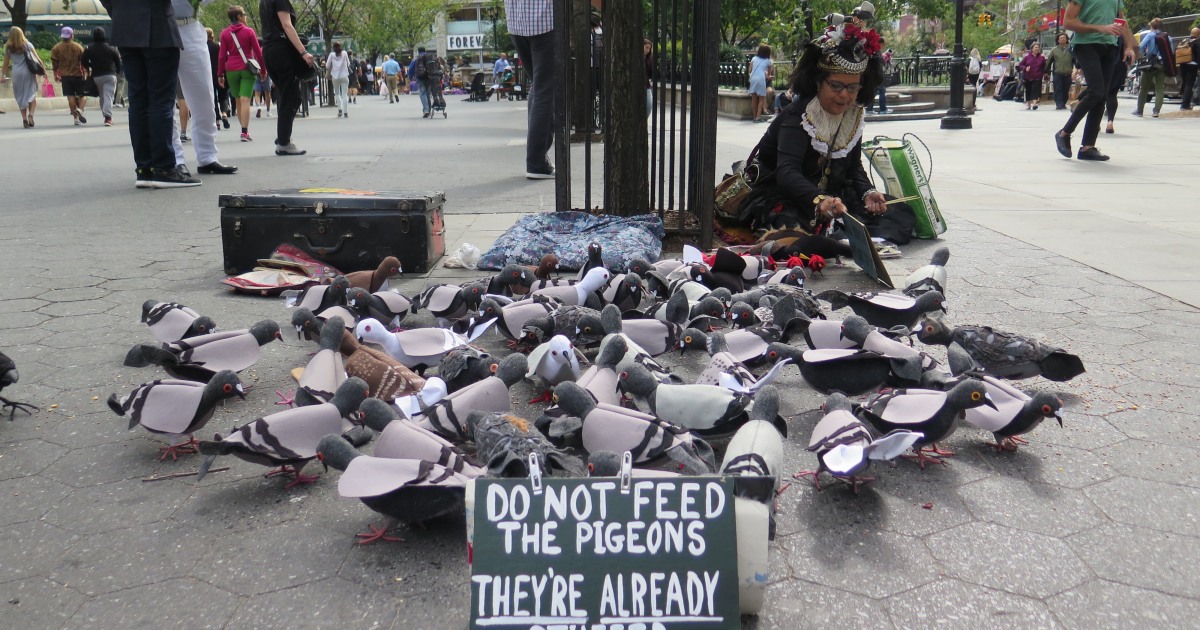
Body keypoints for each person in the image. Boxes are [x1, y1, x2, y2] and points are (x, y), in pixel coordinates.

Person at [740, 21, 912, 245]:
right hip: (787, 193)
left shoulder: (853, 115)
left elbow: (853, 166)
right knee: (793, 231)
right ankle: (842, 241)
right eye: (837, 86)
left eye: (852, 88)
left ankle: (844, 240)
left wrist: (867, 192)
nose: (844, 96)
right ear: (819, 82)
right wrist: (819, 200)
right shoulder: (798, 116)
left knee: (900, 213)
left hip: (833, 193)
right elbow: (787, 172)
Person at [100, 0, 200, 188]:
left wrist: (121, 11)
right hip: (158, 25)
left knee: (138, 101)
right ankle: (164, 168)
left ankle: (144, 168)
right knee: (161, 100)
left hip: (125, 27)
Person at [1054, 0, 1136, 162]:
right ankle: (1064, 133)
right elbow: (1068, 22)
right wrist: (1100, 28)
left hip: (1110, 46)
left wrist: (1128, 46)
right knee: (1096, 91)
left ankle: (1087, 147)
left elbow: (1121, 21)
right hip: (1086, 45)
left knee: (1102, 95)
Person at [170, 0, 237, 177]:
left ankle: (207, 157)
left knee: (205, 97)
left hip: (191, 27)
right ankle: (174, 160)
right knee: (165, 101)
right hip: (163, 27)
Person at [505, 0, 556, 179]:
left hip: (517, 24)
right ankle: (536, 162)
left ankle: (538, 160)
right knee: (544, 89)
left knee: (539, 85)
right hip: (544, 22)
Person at [259, 0, 314, 156]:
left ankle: (283, 135)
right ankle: (283, 142)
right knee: (289, 96)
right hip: (281, 50)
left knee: (291, 96)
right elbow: (287, 25)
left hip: (269, 50)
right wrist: (303, 52)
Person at [219, 5, 265, 142]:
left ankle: (243, 130)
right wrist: (263, 70)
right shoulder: (249, 32)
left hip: (231, 70)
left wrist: (220, 74)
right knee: (246, 99)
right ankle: (244, 132)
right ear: (239, 16)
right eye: (244, 14)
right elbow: (258, 53)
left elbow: (221, 57)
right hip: (246, 69)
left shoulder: (224, 33)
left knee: (238, 99)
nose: (245, 16)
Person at [1134, 18, 1175, 118]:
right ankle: (1156, 111)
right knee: (1159, 88)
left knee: (1144, 87)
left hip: (1150, 65)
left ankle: (1139, 110)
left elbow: (1141, 47)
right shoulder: (1168, 37)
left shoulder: (1150, 35)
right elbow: (1172, 52)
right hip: (1162, 65)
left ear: (1152, 26)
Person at [1, 27, 40, 128]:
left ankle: (24, 119)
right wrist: (42, 70)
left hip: (17, 73)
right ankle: (30, 115)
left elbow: (5, 64)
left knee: (20, 95)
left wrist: (3, 75)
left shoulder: (9, 48)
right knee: (32, 93)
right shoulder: (28, 45)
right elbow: (37, 59)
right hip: (29, 72)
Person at [81, 28, 120, 127]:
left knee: (102, 97)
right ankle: (108, 117)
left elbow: (83, 60)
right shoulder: (111, 47)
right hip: (110, 75)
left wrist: (90, 65)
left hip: (97, 76)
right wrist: (117, 71)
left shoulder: (89, 47)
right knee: (108, 96)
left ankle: (106, 115)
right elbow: (117, 61)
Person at [51, 27, 89, 125]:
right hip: (78, 74)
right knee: (83, 95)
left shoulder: (56, 48)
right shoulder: (78, 47)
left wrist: (56, 74)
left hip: (65, 76)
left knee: (70, 97)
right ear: (72, 35)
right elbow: (84, 61)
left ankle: (75, 119)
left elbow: (55, 63)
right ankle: (80, 110)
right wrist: (87, 72)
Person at [207, 28, 231, 130]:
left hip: (208, 75)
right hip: (220, 73)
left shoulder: (202, 47)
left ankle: (216, 121)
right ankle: (224, 113)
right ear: (212, 35)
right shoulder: (218, 46)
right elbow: (225, 58)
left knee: (213, 98)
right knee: (223, 95)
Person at [1046, 34, 1074, 109]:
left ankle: (1063, 103)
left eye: (1064, 38)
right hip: (1057, 73)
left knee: (1066, 89)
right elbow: (1049, 62)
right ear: (1058, 40)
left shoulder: (1071, 49)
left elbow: (1075, 60)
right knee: (1058, 89)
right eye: (1060, 38)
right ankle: (1059, 104)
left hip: (1068, 73)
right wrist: (1046, 72)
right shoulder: (1054, 50)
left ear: (1067, 39)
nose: (1062, 39)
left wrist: (1077, 69)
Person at [748, 44, 774, 122]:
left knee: (754, 98)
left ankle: (754, 116)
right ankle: (758, 117)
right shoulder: (768, 61)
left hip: (752, 79)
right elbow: (768, 75)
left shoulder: (754, 58)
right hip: (761, 79)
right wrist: (769, 76)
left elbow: (750, 70)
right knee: (761, 99)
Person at [1018, 42, 1047, 110]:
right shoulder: (1027, 57)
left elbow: (1044, 67)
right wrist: (1025, 68)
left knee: (1035, 90)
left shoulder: (1041, 57)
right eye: (1035, 47)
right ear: (1032, 49)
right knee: (1028, 90)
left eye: (1038, 47)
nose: (1037, 49)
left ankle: (1034, 104)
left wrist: (1045, 73)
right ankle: (1028, 103)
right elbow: (1021, 65)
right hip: (1028, 76)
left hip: (1037, 76)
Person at [327, 41, 350, 118]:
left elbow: (327, 66)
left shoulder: (331, 55)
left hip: (335, 76)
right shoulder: (344, 53)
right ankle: (346, 112)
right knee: (344, 94)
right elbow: (348, 64)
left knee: (337, 93)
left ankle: (340, 110)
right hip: (344, 75)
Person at [1182, 28, 1200, 110]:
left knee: (1185, 83)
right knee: (1189, 84)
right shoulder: (1197, 42)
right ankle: (1185, 105)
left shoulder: (1185, 40)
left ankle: (1184, 103)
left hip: (1182, 64)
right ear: (1198, 34)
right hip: (1192, 65)